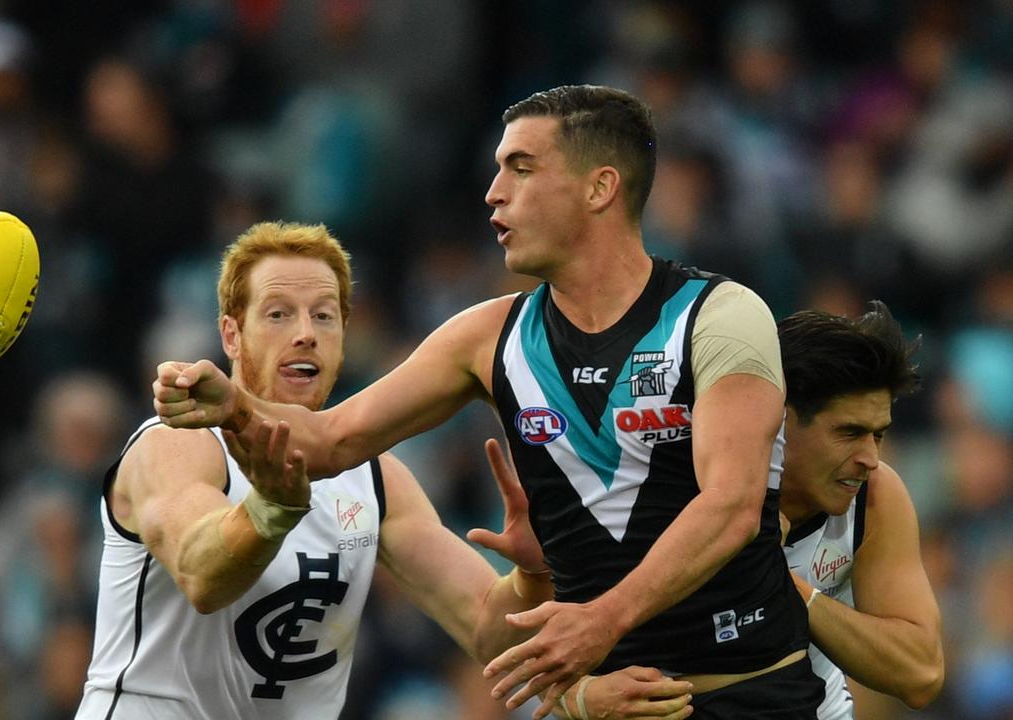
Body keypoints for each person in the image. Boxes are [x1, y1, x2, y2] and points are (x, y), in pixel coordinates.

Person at [155, 85, 824, 719]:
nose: (493, 193)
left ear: (600, 188)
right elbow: (327, 442)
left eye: (522, 169)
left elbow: (732, 506)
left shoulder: (720, 317)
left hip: (748, 694)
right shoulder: (487, 336)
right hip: (601, 704)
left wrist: (601, 620)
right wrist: (235, 405)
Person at [76, 221, 695, 720]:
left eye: (324, 316)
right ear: (231, 336)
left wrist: (534, 570)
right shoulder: (178, 444)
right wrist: (272, 507)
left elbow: (488, 631)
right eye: (278, 314)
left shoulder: (375, 479)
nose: (305, 335)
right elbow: (201, 575)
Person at [777, 302, 944, 718]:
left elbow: (920, 672)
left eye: (879, 434)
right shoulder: (685, 487)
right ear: (777, 419)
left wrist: (786, 587)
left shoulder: (877, 495)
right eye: (849, 432)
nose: (870, 457)